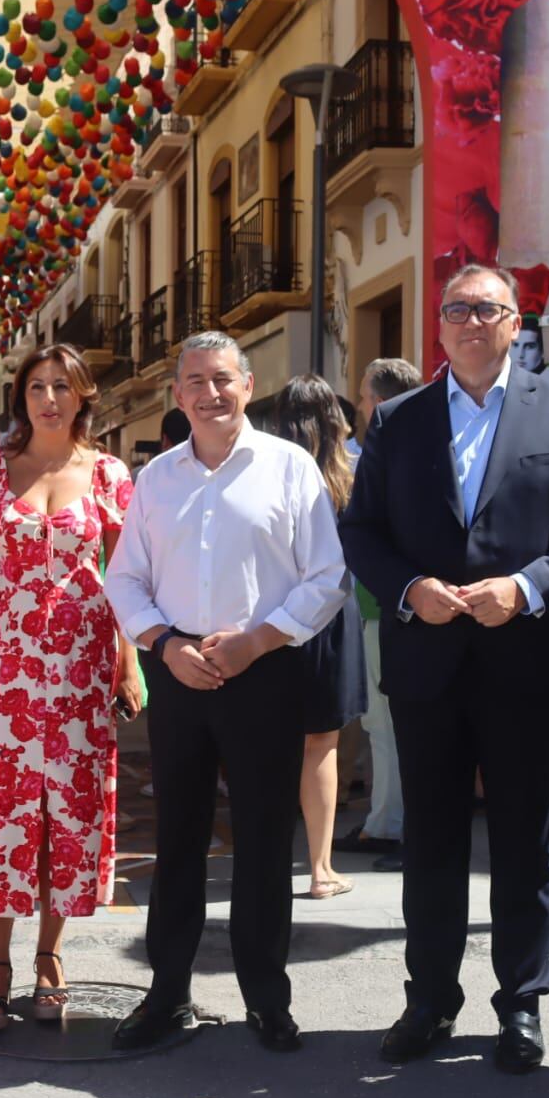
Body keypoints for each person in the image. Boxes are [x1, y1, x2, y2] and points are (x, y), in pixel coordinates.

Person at [339, 265, 549, 1074]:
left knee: (524, 843)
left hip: (525, 660)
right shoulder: (397, 419)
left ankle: (521, 1003)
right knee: (429, 839)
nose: (469, 321)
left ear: (514, 323)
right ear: (439, 326)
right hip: (427, 662)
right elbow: (362, 531)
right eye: (455, 309)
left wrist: (526, 587)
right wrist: (408, 588)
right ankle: (429, 998)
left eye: (485, 309)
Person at [104, 332, 348, 1054]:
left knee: (266, 843)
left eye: (223, 379)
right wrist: (164, 645)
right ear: (178, 396)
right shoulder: (156, 481)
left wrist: (260, 640)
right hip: (180, 673)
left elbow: (327, 576)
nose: (210, 393)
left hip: (262, 671)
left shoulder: (289, 467)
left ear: (247, 386)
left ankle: (267, 999)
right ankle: (167, 992)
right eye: (196, 382)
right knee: (178, 837)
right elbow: (124, 578)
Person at [0, 347, 137, 1028]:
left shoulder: (110, 474)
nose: (48, 397)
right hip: (8, 666)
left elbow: (126, 573)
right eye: (36, 387)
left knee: (68, 814)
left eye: (62, 385)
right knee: (2, 811)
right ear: (19, 395)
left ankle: (49, 955)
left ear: (83, 395)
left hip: (82, 669)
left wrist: (129, 657)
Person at [270, 374, 365, 900]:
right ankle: (320, 868)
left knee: (270, 742)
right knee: (322, 744)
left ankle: (267, 858)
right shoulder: (348, 475)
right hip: (333, 614)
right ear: (333, 417)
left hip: (272, 615)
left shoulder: (266, 470)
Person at [335, 358, 422, 868]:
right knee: (389, 725)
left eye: (366, 396)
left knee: (385, 725)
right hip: (398, 604)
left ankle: (391, 825)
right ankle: (388, 821)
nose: (362, 406)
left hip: (383, 606)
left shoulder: (386, 454)